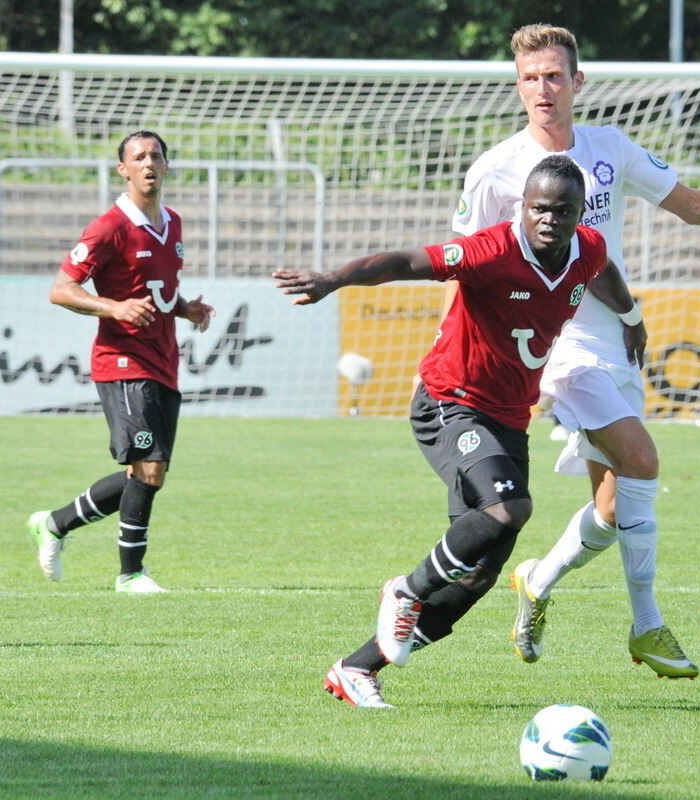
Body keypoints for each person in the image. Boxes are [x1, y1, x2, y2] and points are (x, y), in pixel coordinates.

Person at [450, 24, 700, 678]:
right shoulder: (494, 170)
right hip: (554, 346)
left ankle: (539, 578)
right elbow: (467, 269)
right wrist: (502, 366)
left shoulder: (609, 149)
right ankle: (647, 625)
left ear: (577, 82)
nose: (542, 89)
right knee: (642, 459)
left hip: (612, 337)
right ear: (516, 85)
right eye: (530, 77)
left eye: (554, 75)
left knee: (616, 505)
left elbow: (695, 207)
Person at [274, 156, 644, 707]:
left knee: (477, 576)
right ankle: (404, 589)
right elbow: (405, 261)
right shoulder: (491, 250)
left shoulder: (585, 248)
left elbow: (604, 269)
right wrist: (335, 278)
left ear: (577, 213)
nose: (548, 219)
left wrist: (633, 319)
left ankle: (357, 669)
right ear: (523, 206)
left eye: (561, 211)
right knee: (508, 511)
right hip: (451, 404)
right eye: (538, 208)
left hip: (509, 419)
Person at [28, 130, 214, 593]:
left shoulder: (173, 222)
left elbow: (158, 291)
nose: (148, 162)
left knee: (147, 473)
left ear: (167, 167)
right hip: (122, 361)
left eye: (156, 156)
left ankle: (54, 523)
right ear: (123, 169)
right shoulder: (108, 227)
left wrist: (185, 308)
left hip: (163, 360)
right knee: (148, 468)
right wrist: (113, 307)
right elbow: (61, 289)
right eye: (138, 157)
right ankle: (131, 574)